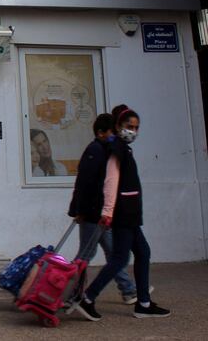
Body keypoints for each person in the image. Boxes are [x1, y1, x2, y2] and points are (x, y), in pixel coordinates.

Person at [75, 105, 171, 321]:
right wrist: (108, 211)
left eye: (136, 128)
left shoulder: (123, 149)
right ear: (118, 126)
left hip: (131, 214)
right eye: (129, 126)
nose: (133, 131)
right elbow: (111, 181)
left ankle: (143, 303)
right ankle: (88, 297)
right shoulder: (116, 149)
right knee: (119, 258)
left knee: (142, 253)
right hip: (123, 215)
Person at [67, 113, 137, 304]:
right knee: (85, 256)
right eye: (112, 132)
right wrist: (79, 211)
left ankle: (128, 290)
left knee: (114, 254)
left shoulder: (105, 150)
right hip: (91, 214)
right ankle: (68, 292)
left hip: (100, 215)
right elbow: (84, 183)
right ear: (100, 133)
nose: (115, 136)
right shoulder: (95, 151)